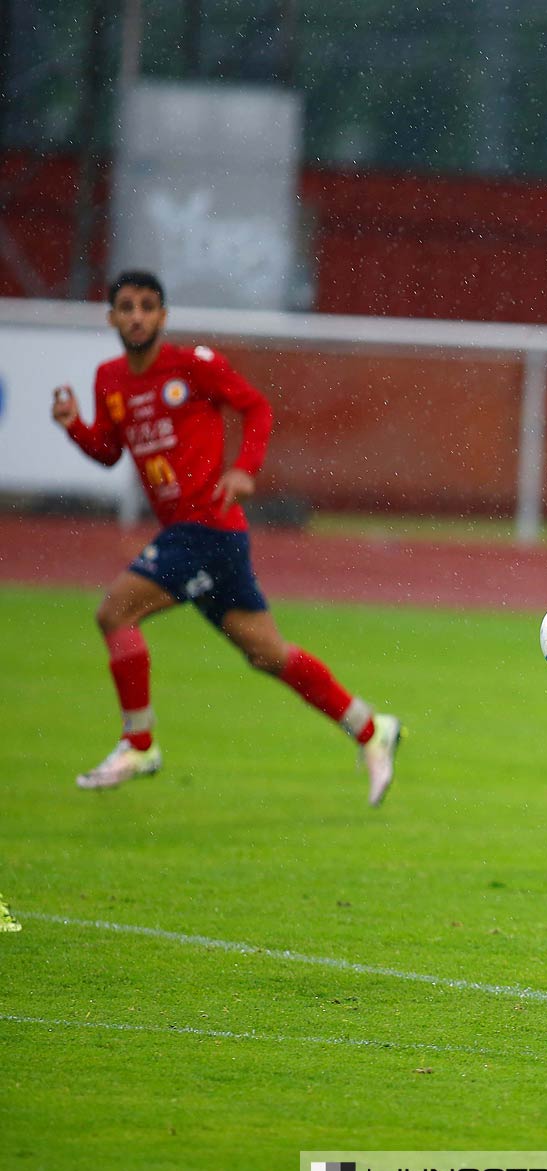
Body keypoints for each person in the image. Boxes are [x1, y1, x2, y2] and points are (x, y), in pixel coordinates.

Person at [51, 269, 402, 805]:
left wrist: (244, 468)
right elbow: (108, 451)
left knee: (114, 613)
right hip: (206, 537)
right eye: (127, 306)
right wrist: (74, 425)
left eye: (148, 306)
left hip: (207, 527)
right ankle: (371, 728)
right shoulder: (109, 379)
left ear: (163, 317)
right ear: (113, 318)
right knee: (268, 653)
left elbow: (256, 406)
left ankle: (138, 743)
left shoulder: (193, 366)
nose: (138, 315)